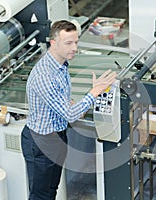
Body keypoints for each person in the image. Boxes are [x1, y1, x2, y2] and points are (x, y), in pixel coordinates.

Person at [21, 20, 117, 200]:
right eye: (68, 43)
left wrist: (70, 104)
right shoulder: (45, 76)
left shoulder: (61, 64)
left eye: (76, 42)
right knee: (40, 196)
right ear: (53, 43)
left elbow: (66, 106)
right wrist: (94, 92)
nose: (74, 48)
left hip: (57, 137)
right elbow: (71, 115)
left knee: (52, 190)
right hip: (41, 143)